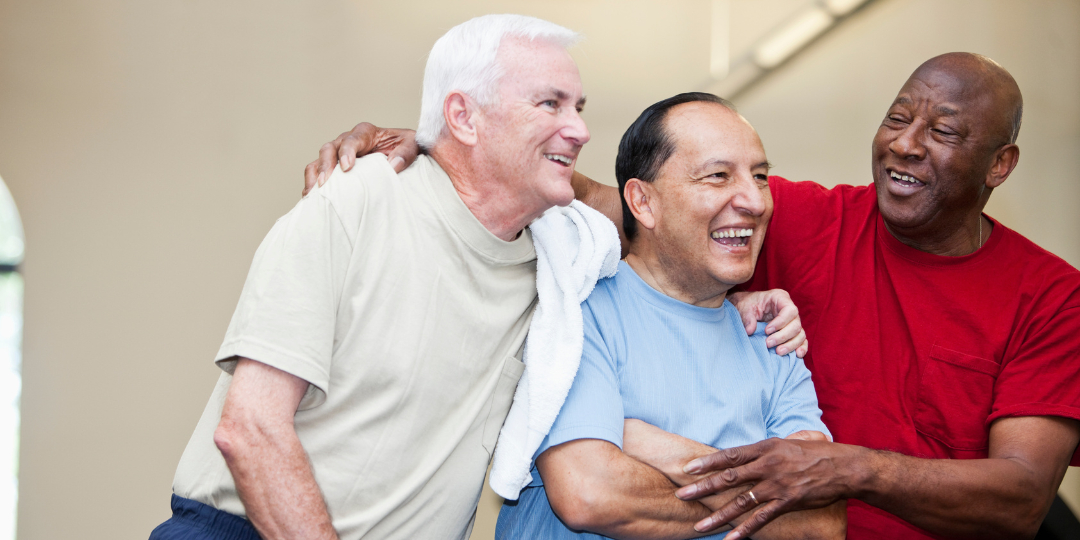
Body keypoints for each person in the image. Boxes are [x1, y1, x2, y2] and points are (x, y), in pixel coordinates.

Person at [313, 53, 1080, 539]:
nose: (907, 143)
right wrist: (450, 151)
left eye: (943, 131)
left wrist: (844, 472)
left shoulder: (1050, 295)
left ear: (1000, 165)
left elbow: (1017, 500)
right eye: (897, 118)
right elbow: (615, 200)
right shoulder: (793, 229)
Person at [154, 14, 806, 540]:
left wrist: (748, 294)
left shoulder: (560, 246)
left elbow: (672, 223)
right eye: (549, 104)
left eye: (577, 106)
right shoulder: (360, 197)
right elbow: (250, 429)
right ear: (464, 117)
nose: (578, 130)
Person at [493, 92, 845, 539]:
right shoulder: (577, 311)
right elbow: (591, 495)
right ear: (642, 202)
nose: (755, 202)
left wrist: (646, 443)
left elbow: (822, 524)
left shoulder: (772, 337)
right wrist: (763, 501)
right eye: (718, 176)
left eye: (759, 177)